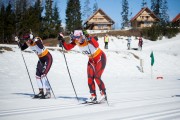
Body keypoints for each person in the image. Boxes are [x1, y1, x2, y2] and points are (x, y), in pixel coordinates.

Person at [58, 30, 107, 102]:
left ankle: (103, 94)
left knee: (97, 77)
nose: (77, 39)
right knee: (90, 78)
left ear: (82, 36)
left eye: (78, 37)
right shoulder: (76, 41)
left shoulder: (88, 39)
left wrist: (89, 37)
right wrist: (62, 41)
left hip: (100, 58)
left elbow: (96, 45)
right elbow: (68, 48)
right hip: (91, 60)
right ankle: (93, 95)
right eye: (75, 37)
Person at [15, 33, 53, 99]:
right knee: (38, 75)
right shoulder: (28, 43)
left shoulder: (37, 39)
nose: (27, 41)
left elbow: (41, 46)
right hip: (41, 59)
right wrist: (18, 41)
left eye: (28, 40)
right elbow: (22, 48)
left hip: (47, 58)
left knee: (43, 75)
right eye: (25, 40)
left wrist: (34, 39)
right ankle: (41, 92)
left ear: (31, 38)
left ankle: (48, 93)